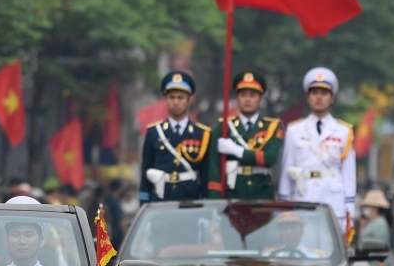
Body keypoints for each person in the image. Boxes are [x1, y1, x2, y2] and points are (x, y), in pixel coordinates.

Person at [277, 67, 357, 228]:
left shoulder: (343, 131)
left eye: (324, 93)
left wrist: (350, 208)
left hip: (333, 201)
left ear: (332, 98)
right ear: (308, 97)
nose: (319, 97)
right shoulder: (294, 131)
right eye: (314, 93)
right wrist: (283, 205)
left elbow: (348, 174)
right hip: (303, 197)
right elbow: (287, 170)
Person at [208, 71, 284, 200]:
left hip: (262, 191)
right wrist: (216, 201)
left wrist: (235, 150)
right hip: (233, 192)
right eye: (243, 95)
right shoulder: (224, 127)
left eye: (253, 95)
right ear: (237, 98)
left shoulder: (272, 127)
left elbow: (269, 159)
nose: (247, 99)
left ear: (260, 100)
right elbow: (214, 169)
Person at [140, 70, 212, 202]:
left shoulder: (201, 134)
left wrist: (207, 202)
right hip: (161, 198)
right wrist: (144, 200)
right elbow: (146, 169)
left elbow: (206, 173)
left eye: (180, 98)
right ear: (166, 99)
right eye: (171, 97)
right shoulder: (154, 132)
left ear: (189, 100)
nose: (176, 102)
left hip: (190, 198)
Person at [260, 213, 325, 259]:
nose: (289, 232)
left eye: (293, 228)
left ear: (302, 231)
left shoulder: (316, 257)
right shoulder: (269, 256)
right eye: (284, 228)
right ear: (279, 232)